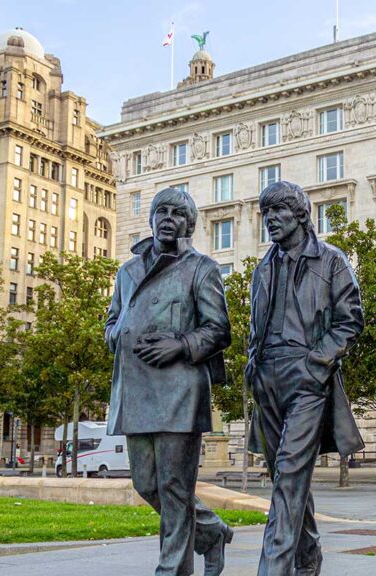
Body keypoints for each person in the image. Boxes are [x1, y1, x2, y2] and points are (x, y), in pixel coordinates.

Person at [105, 186, 233, 576]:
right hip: (136, 389)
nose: (168, 218)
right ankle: (210, 532)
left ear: (189, 225)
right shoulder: (127, 271)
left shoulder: (201, 268)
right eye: (162, 211)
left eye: (178, 214)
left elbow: (219, 329)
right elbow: (112, 321)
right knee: (147, 485)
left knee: (176, 490)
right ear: (151, 218)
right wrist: (119, 336)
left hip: (180, 391)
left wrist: (178, 345)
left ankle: (172, 570)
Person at [247, 181, 365, 576]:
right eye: (265, 214)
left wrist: (317, 363)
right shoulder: (263, 268)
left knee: (289, 478)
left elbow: (350, 320)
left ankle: (274, 569)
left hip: (307, 378)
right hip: (266, 380)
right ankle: (308, 558)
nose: (270, 221)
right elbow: (255, 327)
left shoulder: (331, 260)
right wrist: (253, 368)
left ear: (300, 215)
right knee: (286, 476)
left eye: (278, 212)